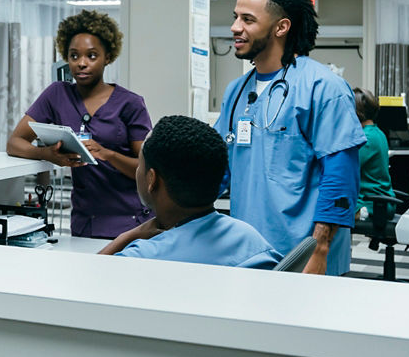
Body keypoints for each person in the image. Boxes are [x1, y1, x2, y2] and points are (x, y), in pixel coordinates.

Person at [215, 0, 365, 275]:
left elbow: (340, 175)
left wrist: (319, 249)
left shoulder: (323, 87)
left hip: (304, 253)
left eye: (247, 19)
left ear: (281, 27)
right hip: (247, 249)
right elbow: (219, 165)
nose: (235, 27)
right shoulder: (236, 91)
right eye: (235, 17)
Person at [6, 10, 152, 238]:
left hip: (131, 220)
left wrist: (108, 154)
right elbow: (15, 143)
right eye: (74, 56)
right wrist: (47, 154)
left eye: (92, 56)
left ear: (108, 57)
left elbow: (147, 169)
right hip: (85, 221)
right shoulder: (57, 95)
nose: (82, 63)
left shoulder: (130, 103)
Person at [100, 115, 280, 269]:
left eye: (140, 164)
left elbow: (86, 283)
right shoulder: (250, 237)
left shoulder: (141, 257)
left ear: (151, 179)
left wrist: (127, 237)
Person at [352, 87, 397, 218]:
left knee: (329, 207)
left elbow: (345, 168)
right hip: (381, 200)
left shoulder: (365, 138)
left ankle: (360, 213)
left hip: (373, 203)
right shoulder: (377, 132)